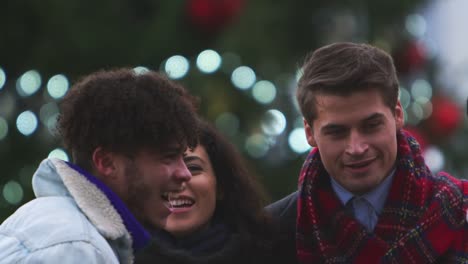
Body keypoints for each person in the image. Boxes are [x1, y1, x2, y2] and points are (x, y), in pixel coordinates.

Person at [267, 42, 468, 263]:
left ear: (397, 115)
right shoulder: (267, 236)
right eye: (336, 132)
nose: (356, 148)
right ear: (309, 133)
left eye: (371, 126)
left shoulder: (458, 212)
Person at [0, 68, 200, 263]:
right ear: (106, 163)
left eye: (183, 158)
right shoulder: (77, 247)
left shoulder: (72, 235)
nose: (185, 174)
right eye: (168, 157)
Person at [135, 119, 285, 264]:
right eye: (163, 169)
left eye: (193, 168)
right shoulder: (118, 255)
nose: (178, 179)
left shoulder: (271, 251)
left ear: (220, 186)